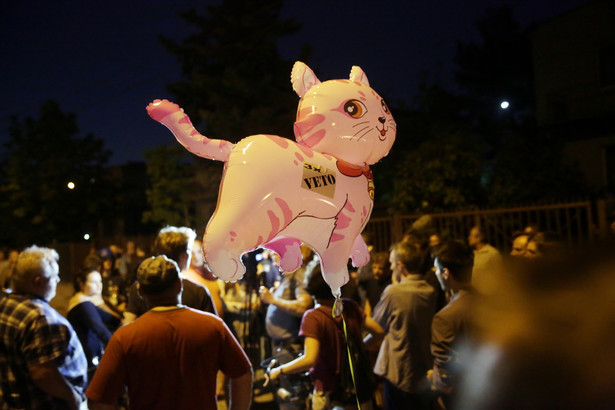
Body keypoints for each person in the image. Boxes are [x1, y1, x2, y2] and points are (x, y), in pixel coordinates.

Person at [86, 256, 253, 410]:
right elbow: (243, 375)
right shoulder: (212, 326)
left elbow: (99, 399)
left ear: (140, 291)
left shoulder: (125, 337)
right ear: (179, 284)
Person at [269, 265, 384, 410]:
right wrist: (361, 347)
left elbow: (310, 359)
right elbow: (378, 332)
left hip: (329, 393)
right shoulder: (350, 307)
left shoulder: (313, 317)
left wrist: (279, 370)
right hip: (358, 390)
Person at [0, 246, 88, 409]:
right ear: (38, 282)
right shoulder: (40, 319)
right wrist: (73, 397)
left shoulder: (6, 303)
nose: (58, 280)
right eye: (54, 276)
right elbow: (43, 373)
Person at [371, 240, 438, 410]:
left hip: (398, 372)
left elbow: (376, 326)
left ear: (401, 266)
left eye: (392, 264)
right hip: (423, 370)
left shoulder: (394, 292)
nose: (391, 268)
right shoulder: (429, 291)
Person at [123, 226, 216, 324]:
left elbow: (128, 322)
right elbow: (213, 328)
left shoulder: (140, 286)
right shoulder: (198, 291)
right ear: (183, 256)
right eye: (189, 250)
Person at [428, 240, 477, 409]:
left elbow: (445, 372)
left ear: (446, 273)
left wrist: (437, 381)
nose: (434, 273)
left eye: (436, 269)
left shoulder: (445, 317)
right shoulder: (488, 303)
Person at [66, 269, 122, 379]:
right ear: (82, 285)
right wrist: (121, 348)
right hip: (88, 361)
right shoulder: (82, 304)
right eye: (93, 282)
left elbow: (112, 319)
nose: (99, 285)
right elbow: (101, 330)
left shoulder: (87, 302)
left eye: (100, 281)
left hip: (90, 357)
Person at [259, 244, 315, 349]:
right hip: (283, 347)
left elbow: (304, 306)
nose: (271, 252)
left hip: (291, 347)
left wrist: (273, 300)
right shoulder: (287, 277)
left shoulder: (298, 274)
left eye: (275, 249)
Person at [467, 225, 502, 294]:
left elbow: (499, 274)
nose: (469, 238)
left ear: (479, 238)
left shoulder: (492, 253)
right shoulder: (472, 254)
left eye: (471, 235)